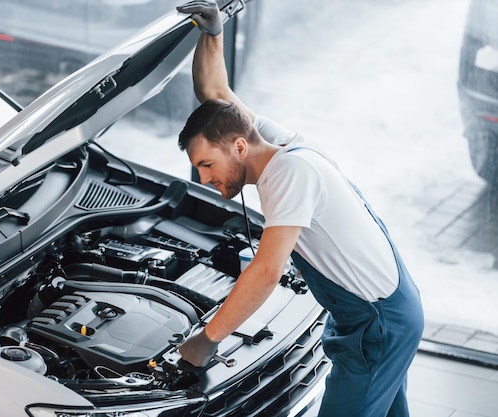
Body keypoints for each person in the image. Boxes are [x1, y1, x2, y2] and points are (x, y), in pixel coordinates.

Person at [174, 1, 425, 416]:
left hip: (377, 324)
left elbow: (267, 271)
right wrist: (213, 34)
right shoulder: (269, 140)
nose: (203, 179)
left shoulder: (290, 174)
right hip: (384, 311)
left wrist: (207, 338)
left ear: (238, 147)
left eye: (206, 165)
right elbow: (215, 96)